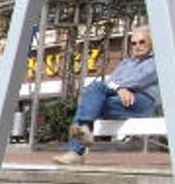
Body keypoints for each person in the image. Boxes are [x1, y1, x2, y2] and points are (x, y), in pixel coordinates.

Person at [54, 27, 160, 165]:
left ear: (151, 43)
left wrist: (120, 87)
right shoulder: (126, 63)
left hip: (141, 101)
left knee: (88, 104)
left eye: (142, 42)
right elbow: (110, 82)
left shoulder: (156, 61)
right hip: (121, 100)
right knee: (95, 90)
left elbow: (139, 79)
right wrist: (120, 89)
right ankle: (79, 142)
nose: (137, 46)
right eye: (134, 43)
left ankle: (76, 151)